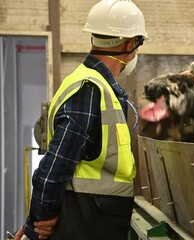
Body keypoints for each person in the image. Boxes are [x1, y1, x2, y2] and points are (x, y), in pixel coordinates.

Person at [14, 0, 148, 239]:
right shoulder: (90, 90)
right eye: (139, 44)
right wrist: (40, 221)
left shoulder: (92, 84)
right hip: (87, 222)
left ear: (93, 38)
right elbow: (53, 168)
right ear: (130, 44)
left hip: (95, 220)